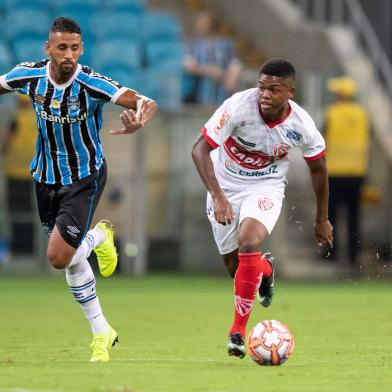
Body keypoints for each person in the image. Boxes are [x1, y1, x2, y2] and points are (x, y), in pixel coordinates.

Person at [0, 17, 157, 362]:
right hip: (44, 177)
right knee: (70, 263)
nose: (68, 54)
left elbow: (145, 101)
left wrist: (140, 120)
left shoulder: (91, 83)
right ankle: (102, 332)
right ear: (48, 48)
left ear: (81, 49)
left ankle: (99, 239)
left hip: (85, 177)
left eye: (74, 48)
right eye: (61, 47)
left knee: (59, 257)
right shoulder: (29, 76)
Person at [192, 58, 333, 358]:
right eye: (261, 87)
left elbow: (319, 168)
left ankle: (237, 334)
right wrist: (217, 195)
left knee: (249, 242)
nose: (265, 94)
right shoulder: (237, 106)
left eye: (274, 89)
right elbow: (200, 149)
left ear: (290, 92)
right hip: (224, 186)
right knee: (236, 269)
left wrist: (322, 218)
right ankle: (265, 269)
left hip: (265, 186)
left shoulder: (301, 125)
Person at [323, 77, 370, 266]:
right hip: (357, 172)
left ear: (341, 95)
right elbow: (367, 144)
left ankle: (331, 253)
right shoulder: (362, 114)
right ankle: (353, 255)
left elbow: (321, 139)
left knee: (331, 216)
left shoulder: (331, 113)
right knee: (354, 216)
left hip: (334, 172)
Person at [2, 94, 36, 255]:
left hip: (14, 173)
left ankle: (18, 248)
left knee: (15, 211)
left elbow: (5, 143)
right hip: (35, 173)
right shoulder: (38, 119)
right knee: (31, 212)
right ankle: (31, 248)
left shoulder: (16, 119)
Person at [183, 11, 242, 105]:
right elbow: (188, 66)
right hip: (199, 95)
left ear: (212, 25)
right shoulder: (193, 44)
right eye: (198, 22)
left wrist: (232, 77)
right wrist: (210, 70)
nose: (199, 25)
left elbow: (235, 64)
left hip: (222, 93)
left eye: (203, 23)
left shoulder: (226, 43)